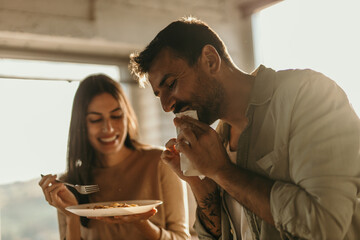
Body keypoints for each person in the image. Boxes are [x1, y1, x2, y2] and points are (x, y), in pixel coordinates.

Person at [128, 16, 360, 240]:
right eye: (159, 95)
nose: (167, 106)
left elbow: (325, 226)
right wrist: (200, 181)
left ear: (210, 60)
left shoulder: (307, 95)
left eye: (171, 84)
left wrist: (222, 172)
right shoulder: (220, 137)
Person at [39, 74, 191, 240]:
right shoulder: (70, 183)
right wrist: (71, 215)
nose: (109, 128)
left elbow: (182, 238)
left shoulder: (161, 162)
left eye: (116, 116)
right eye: (96, 120)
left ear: (127, 117)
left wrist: (140, 222)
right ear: (81, 125)